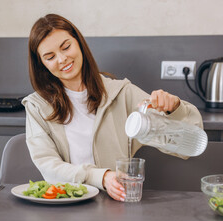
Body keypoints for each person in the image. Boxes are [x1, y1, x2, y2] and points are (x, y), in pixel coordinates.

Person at [22, 14, 203, 202]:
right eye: (50, 57)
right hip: (62, 206)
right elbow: (48, 166)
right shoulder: (37, 106)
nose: (62, 59)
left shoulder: (121, 94)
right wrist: (101, 176)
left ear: (79, 43)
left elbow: (187, 147)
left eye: (66, 47)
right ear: (41, 64)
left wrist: (174, 110)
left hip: (114, 204)